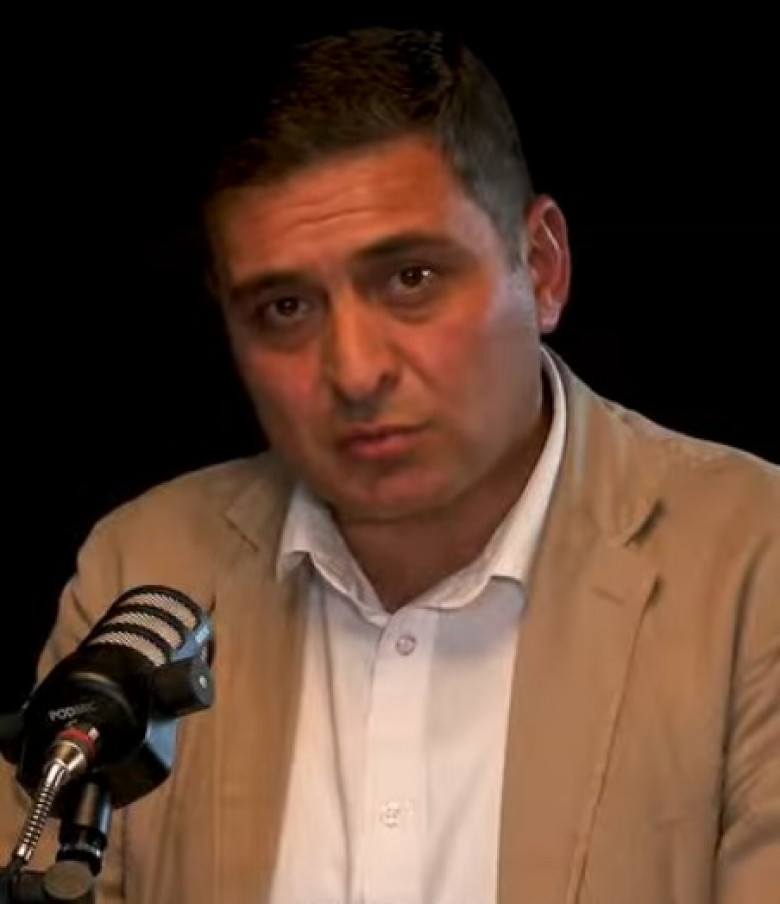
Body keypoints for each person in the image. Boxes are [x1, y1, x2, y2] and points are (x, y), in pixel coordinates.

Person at [1, 24, 778, 904]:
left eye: (411, 278)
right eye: (285, 306)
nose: (355, 369)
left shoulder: (754, 559)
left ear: (543, 268)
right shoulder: (146, 565)